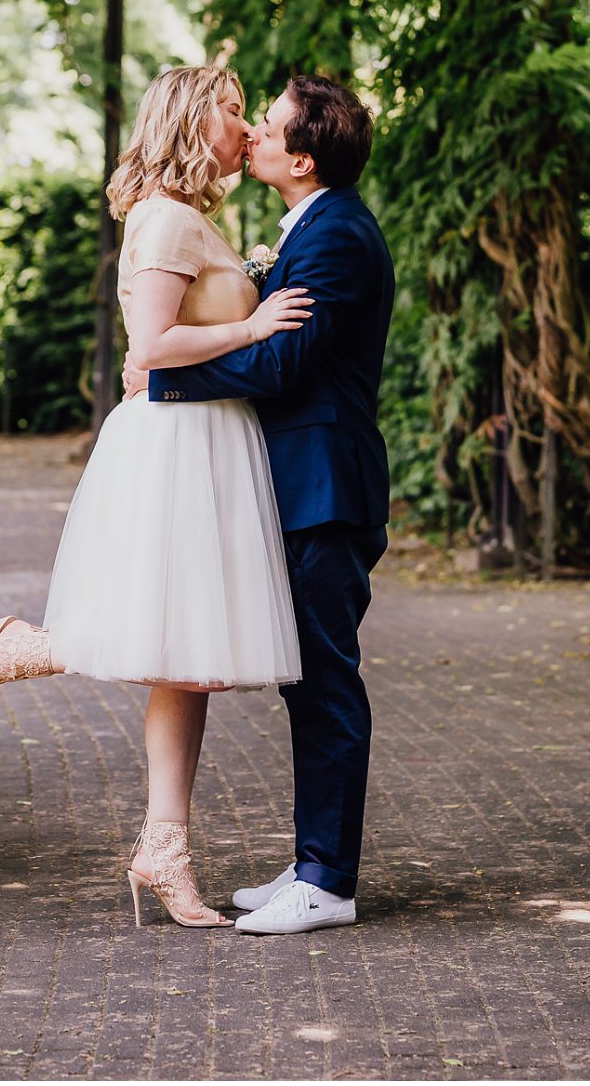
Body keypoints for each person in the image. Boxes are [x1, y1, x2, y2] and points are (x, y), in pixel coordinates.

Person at [0, 65, 308, 929]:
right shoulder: (163, 218)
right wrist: (251, 326)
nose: (247, 125)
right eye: (231, 111)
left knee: (190, 655)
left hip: (214, 442)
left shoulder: (198, 221)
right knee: (169, 639)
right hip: (173, 446)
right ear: (191, 121)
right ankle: (12, 652)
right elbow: (149, 344)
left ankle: (163, 849)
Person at [124, 74, 395, 936]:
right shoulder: (308, 226)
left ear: (301, 157)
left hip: (324, 489)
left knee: (324, 680)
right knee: (306, 678)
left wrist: (163, 370)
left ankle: (328, 880)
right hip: (298, 485)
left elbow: (283, 365)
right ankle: (312, 861)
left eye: (267, 126)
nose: (253, 135)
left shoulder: (338, 236)